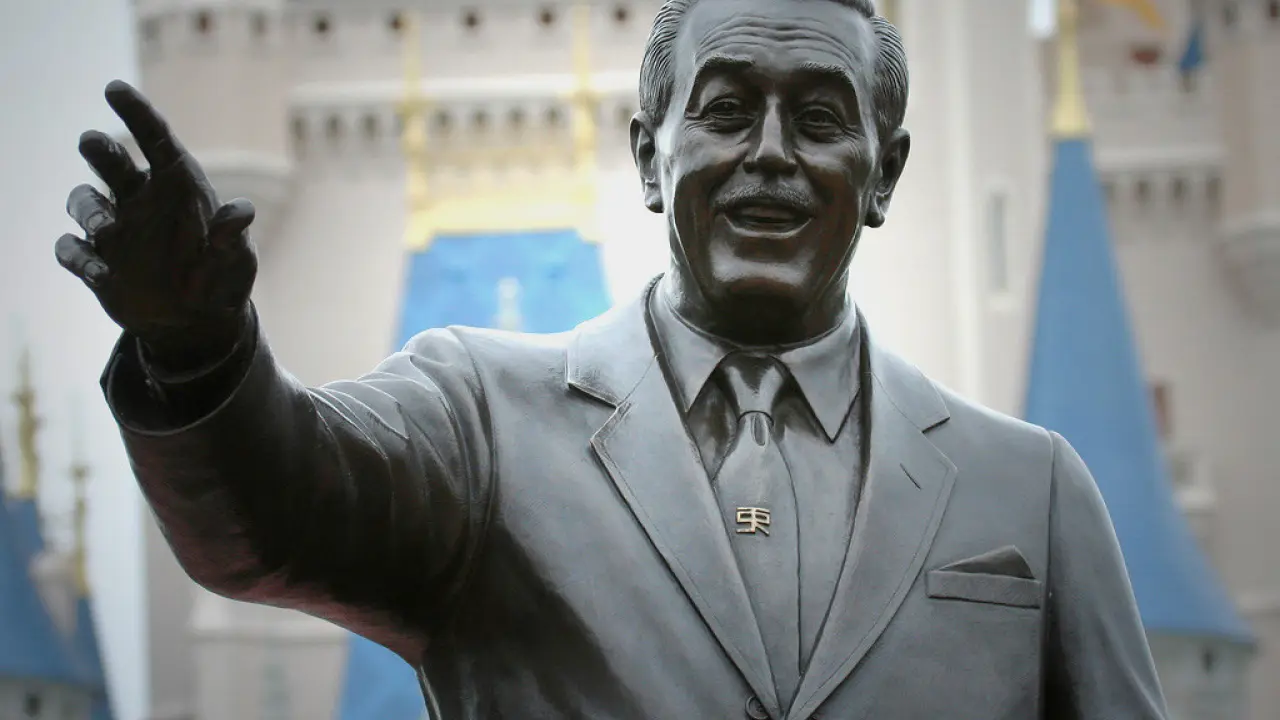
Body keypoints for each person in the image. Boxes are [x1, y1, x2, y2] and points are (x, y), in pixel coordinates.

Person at [55, 0, 1169, 717]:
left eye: (820, 118)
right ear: (647, 155)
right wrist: (197, 353)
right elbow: (272, 515)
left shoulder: (1031, 494)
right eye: (725, 109)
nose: (770, 153)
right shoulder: (482, 422)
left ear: (884, 172)